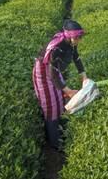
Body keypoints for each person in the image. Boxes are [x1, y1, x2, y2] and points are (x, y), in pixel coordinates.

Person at [32, 19, 88, 149]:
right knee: (51, 106)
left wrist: (83, 76)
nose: (80, 40)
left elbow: (76, 58)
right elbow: (52, 74)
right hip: (44, 73)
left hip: (55, 71)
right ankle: (55, 144)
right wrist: (68, 91)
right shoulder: (56, 48)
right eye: (78, 37)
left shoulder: (72, 43)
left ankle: (61, 131)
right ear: (71, 36)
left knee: (58, 100)